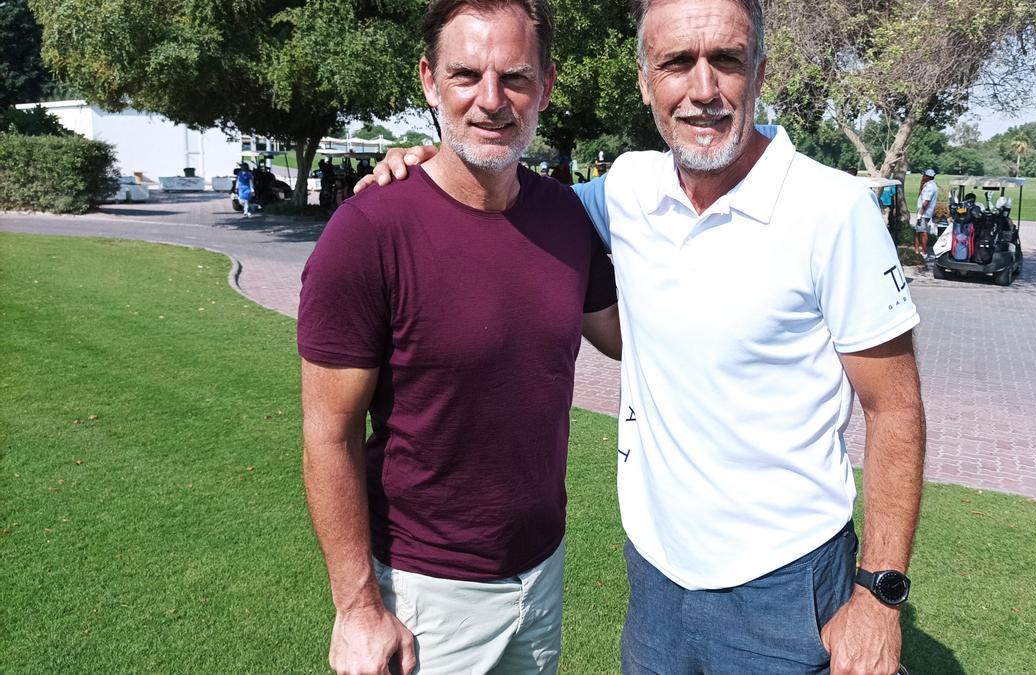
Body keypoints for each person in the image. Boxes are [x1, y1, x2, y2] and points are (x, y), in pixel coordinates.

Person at [360, 1, 926, 672]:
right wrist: (431, 163)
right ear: (644, 80)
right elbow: (512, 196)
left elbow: (895, 409)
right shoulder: (627, 188)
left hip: (784, 583)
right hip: (655, 580)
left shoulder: (832, 211)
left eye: (727, 61)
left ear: (761, 71)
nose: (703, 89)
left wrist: (880, 596)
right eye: (677, 63)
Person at [297, 1, 620, 674]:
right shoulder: (368, 232)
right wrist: (357, 606)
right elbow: (329, 433)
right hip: (424, 597)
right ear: (429, 81)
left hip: (541, 576)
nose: (492, 101)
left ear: (548, 86)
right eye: (467, 74)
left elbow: (627, 337)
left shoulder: (565, 217)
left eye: (516, 77)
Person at [915, 168, 939, 256]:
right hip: (924, 212)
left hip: (924, 213)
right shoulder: (930, 185)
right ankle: (917, 250)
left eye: (924, 175)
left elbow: (926, 202)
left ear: (927, 177)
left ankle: (924, 253)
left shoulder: (930, 187)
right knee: (918, 231)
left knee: (922, 232)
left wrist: (920, 214)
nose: (922, 176)